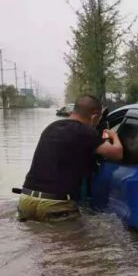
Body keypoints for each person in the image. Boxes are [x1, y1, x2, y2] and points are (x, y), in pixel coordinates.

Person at [18, 94, 123, 222]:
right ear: (94, 115)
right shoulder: (86, 132)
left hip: (26, 199)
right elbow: (118, 153)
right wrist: (114, 135)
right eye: (99, 118)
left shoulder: (51, 128)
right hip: (55, 204)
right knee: (76, 240)